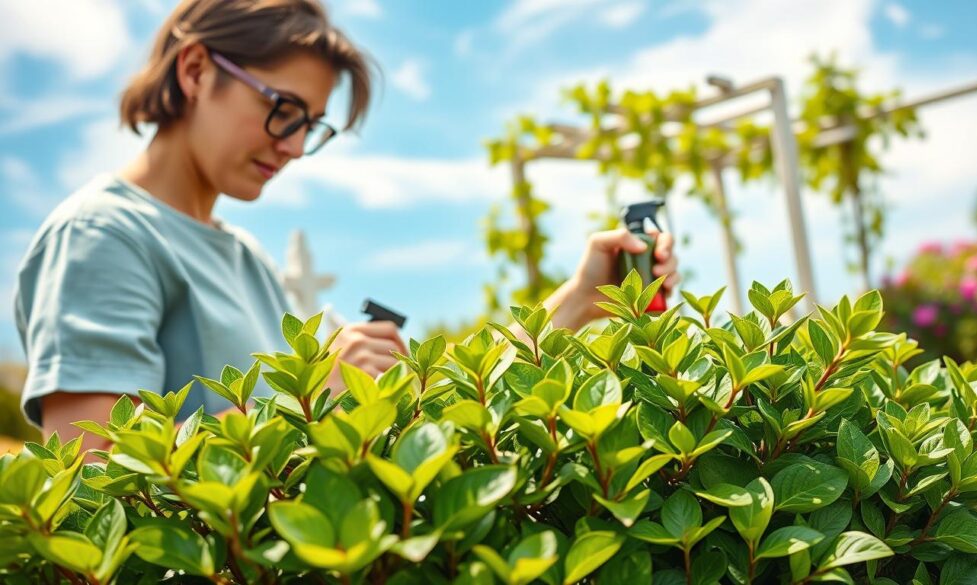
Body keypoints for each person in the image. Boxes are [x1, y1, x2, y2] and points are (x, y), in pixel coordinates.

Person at [13, 0, 680, 456]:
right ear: (195, 70)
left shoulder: (240, 254)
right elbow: (89, 479)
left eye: (313, 125)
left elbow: (422, 402)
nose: (297, 146)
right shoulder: (103, 236)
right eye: (284, 111)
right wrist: (309, 399)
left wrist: (580, 301)